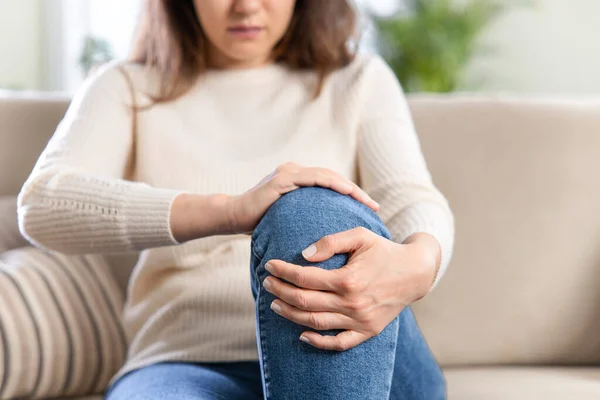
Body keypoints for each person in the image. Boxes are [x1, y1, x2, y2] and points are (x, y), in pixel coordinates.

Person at [17, 0, 455, 399]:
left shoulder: (357, 78)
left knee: (308, 210)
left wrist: (421, 262)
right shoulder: (127, 85)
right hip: (186, 364)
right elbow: (42, 202)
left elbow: (410, 197)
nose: (246, 6)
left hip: (360, 355)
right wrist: (230, 211)